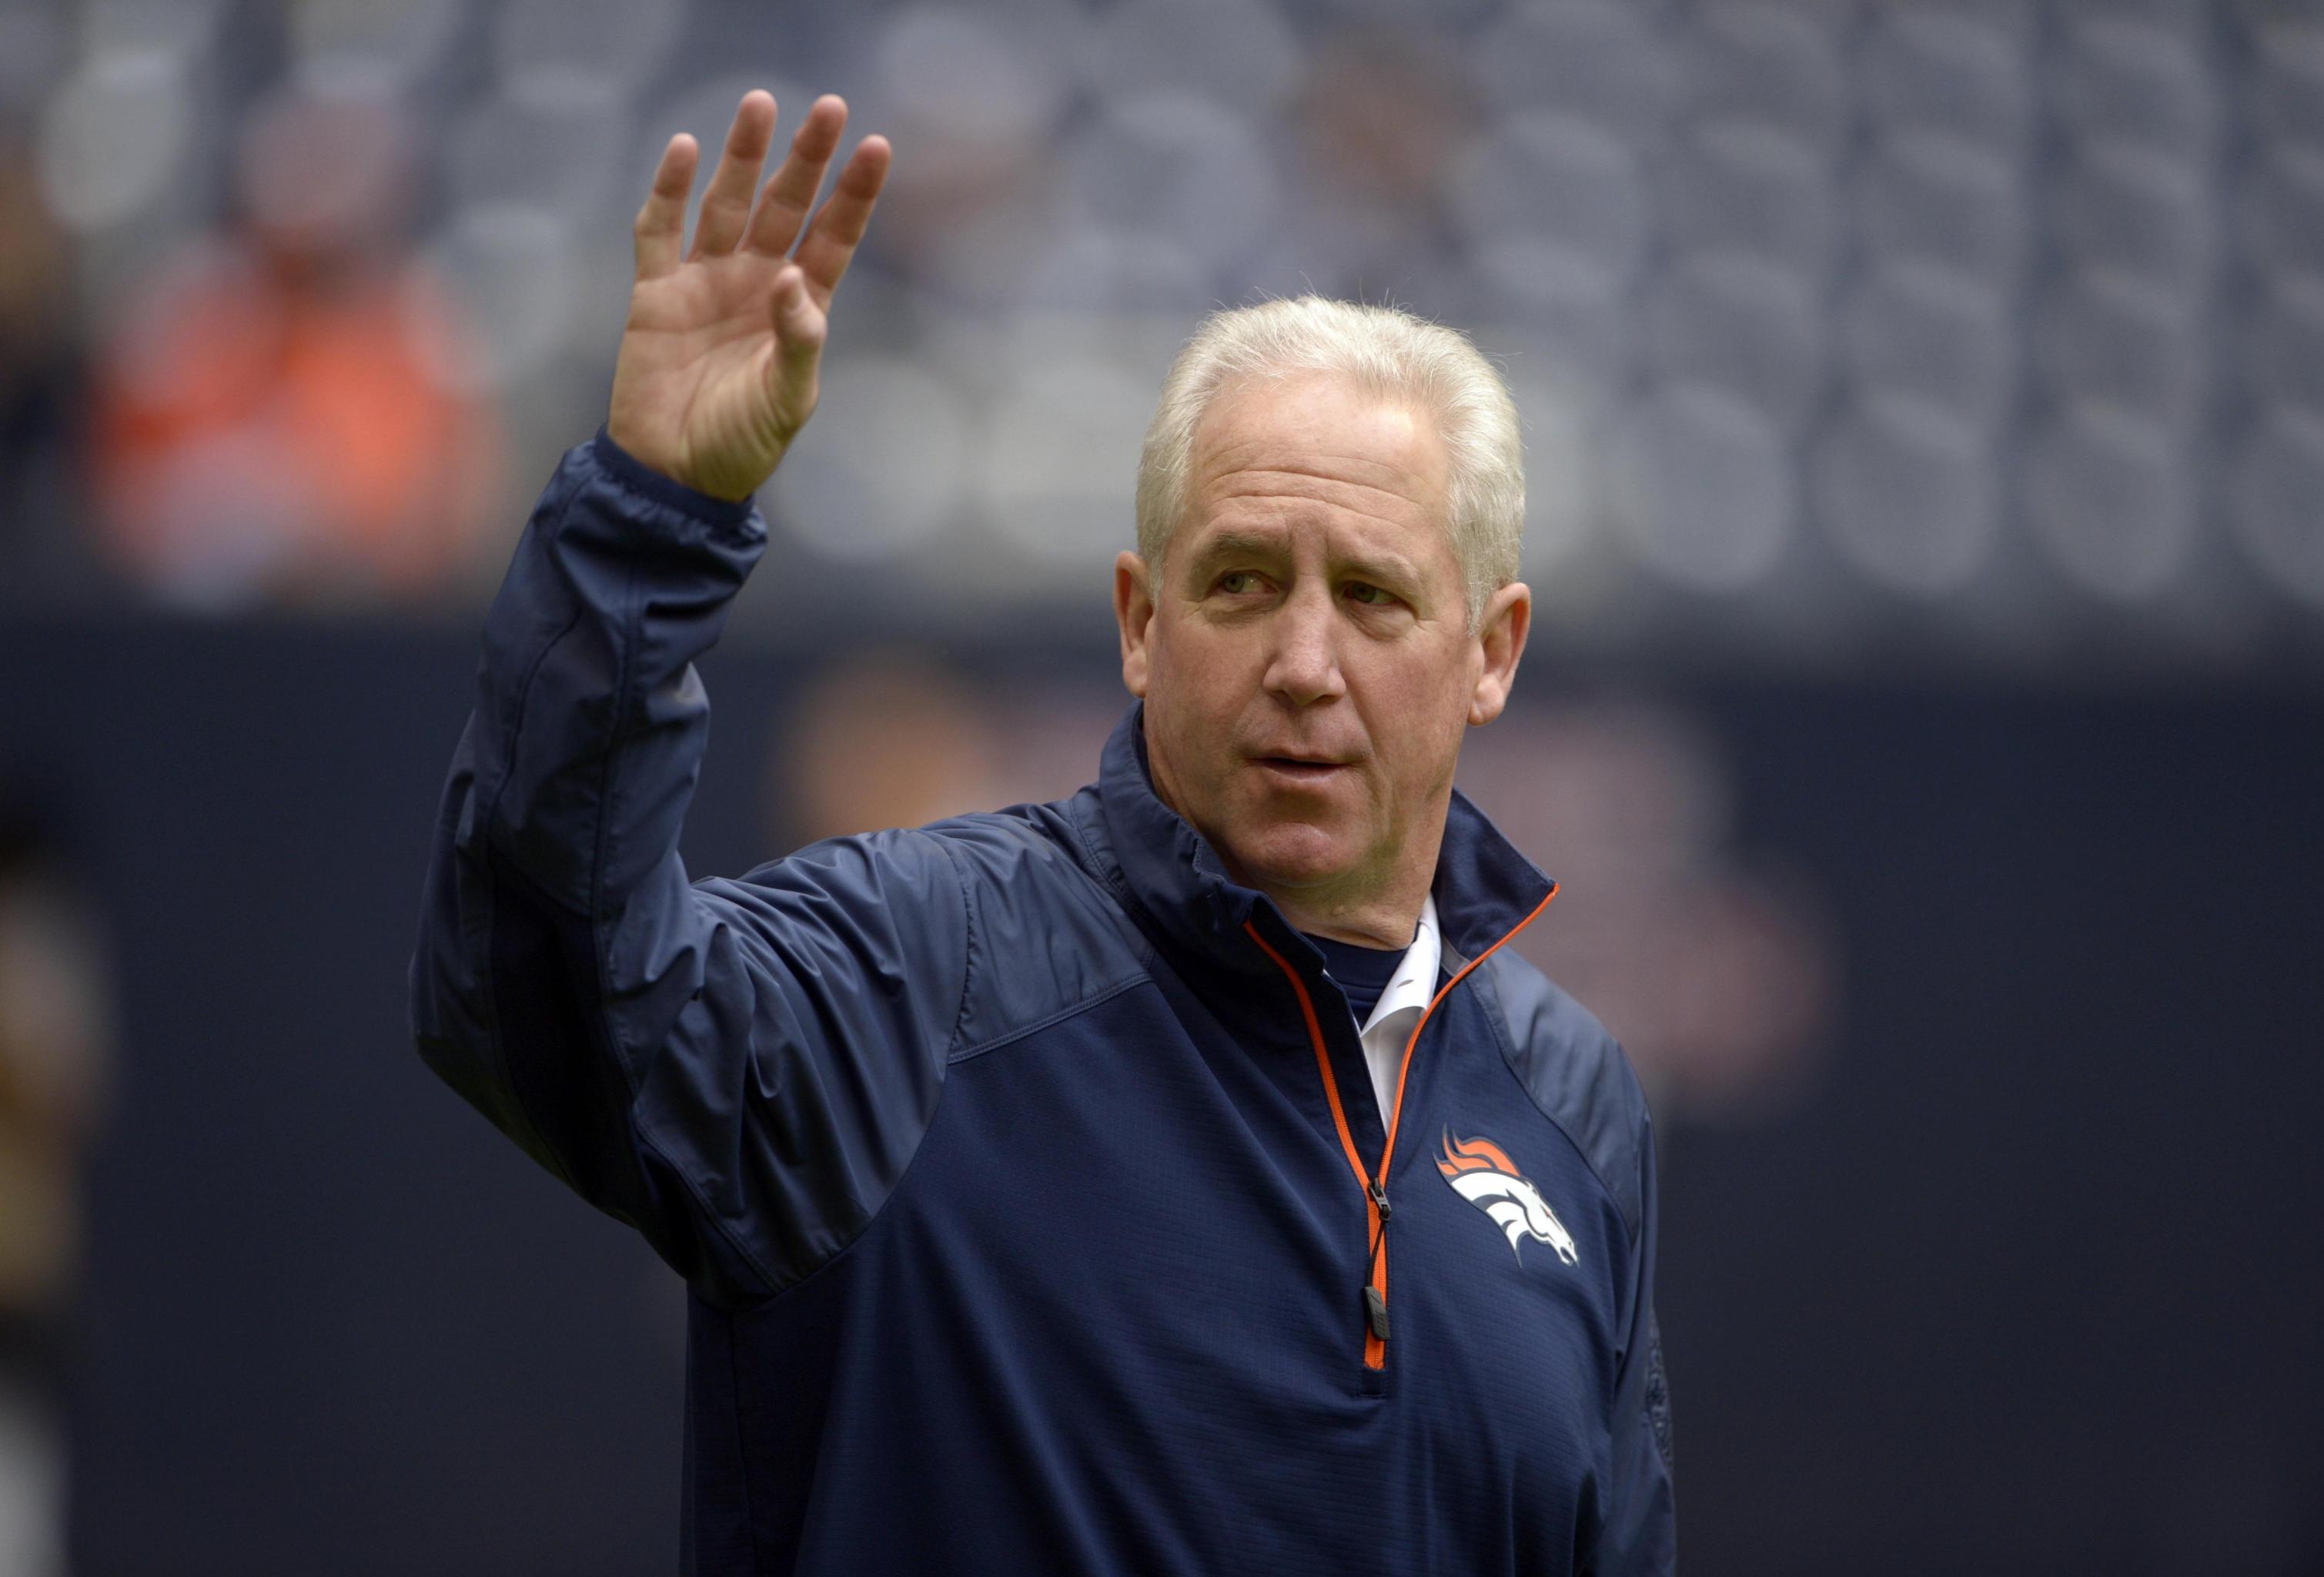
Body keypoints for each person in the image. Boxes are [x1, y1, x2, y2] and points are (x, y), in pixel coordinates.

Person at [410, 89, 1675, 1575]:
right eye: (1244, 582)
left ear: (1493, 651)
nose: (1306, 663)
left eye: (1378, 598)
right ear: (1141, 623)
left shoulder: (1573, 1104)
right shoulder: (917, 975)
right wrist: (648, 517)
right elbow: (535, 976)